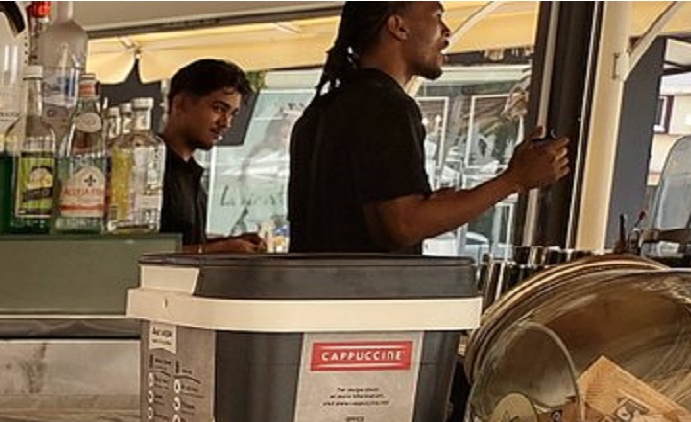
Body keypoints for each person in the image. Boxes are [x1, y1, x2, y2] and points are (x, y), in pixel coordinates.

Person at [288, 2, 568, 254]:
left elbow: (354, 219)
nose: (446, 33)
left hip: (315, 301)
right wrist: (514, 180)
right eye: (437, 17)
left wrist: (434, 206)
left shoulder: (320, 111)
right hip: (365, 304)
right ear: (399, 26)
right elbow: (401, 226)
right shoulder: (387, 106)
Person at [159, 60, 265, 254]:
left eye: (232, 114)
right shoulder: (148, 168)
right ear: (180, 104)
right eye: (218, 109)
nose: (226, 123)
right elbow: (134, 252)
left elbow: (187, 242)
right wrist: (221, 249)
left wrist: (231, 243)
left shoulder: (191, 173)